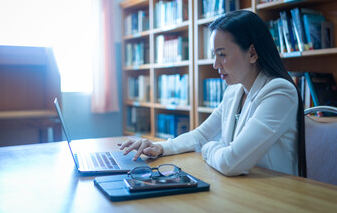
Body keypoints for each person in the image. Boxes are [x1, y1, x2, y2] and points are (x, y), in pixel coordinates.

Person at [119, 10, 306, 177]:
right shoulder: (234, 91)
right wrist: (159, 147)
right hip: (241, 189)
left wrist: (209, 147)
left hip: (276, 197)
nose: (216, 65)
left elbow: (230, 162)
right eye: (214, 55)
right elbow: (201, 135)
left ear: (252, 53)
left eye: (222, 54)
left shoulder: (280, 92)